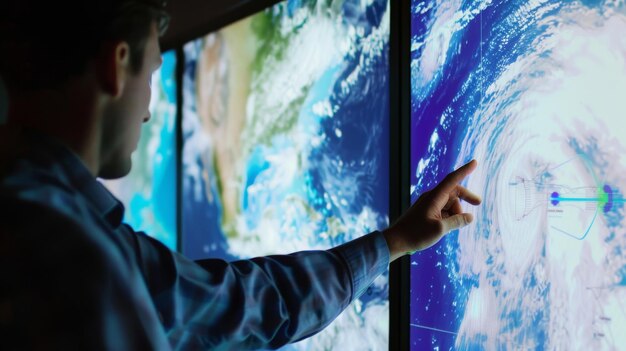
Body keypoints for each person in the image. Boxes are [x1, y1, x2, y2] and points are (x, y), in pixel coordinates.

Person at [0, 0, 481, 349]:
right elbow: (247, 308)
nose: (147, 112)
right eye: (150, 75)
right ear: (116, 65)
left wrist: (395, 241)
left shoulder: (68, 228)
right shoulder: (76, 256)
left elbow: (241, 303)